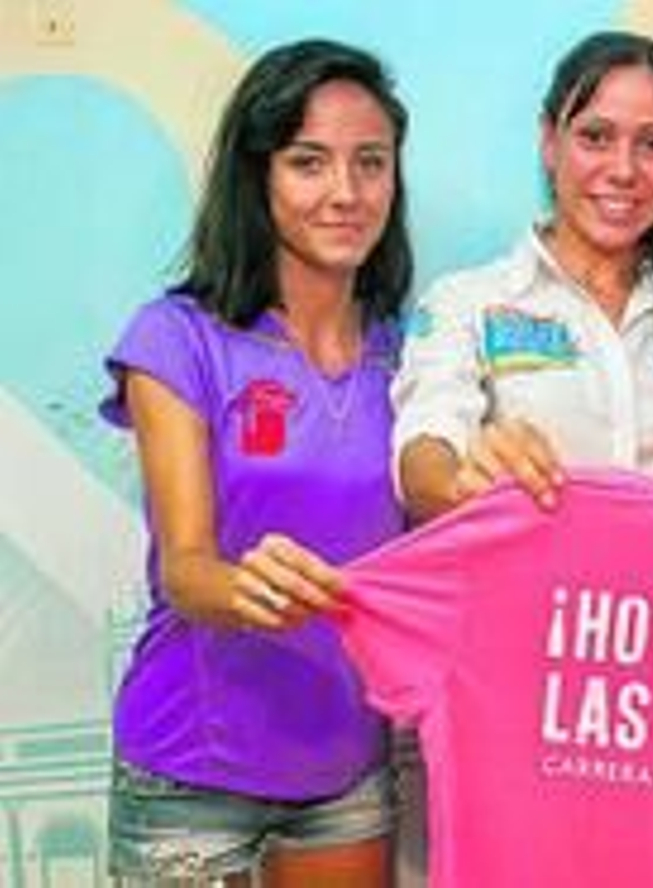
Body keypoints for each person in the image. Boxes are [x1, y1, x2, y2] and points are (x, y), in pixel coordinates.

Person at [101, 39, 411, 885]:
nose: (345, 193)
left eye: (370, 163)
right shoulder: (177, 338)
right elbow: (188, 568)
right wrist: (252, 588)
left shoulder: (411, 352)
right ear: (257, 174)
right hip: (189, 771)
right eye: (309, 162)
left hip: (345, 761)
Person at [392, 30, 653, 524]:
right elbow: (425, 454)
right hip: (511, 594)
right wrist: (460, 482)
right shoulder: (465, 302)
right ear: (550, 143)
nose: (624, 169)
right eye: (596, 137)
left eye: (652, 145)